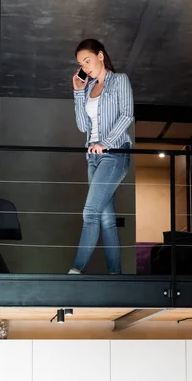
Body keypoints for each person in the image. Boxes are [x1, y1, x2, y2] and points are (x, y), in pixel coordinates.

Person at [68, 39, 134, 275]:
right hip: (93, 158)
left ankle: (76, 269)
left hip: (115, 153)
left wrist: (104, 143)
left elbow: (127, 116)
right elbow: (82, 125)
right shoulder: (87, 88)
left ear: (101, 56)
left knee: (90, 212)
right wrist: (78, 92)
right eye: (81, 64)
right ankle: (116, 275)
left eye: (88, 60)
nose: (85, 67)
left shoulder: (119, 81)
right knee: (106, 218)